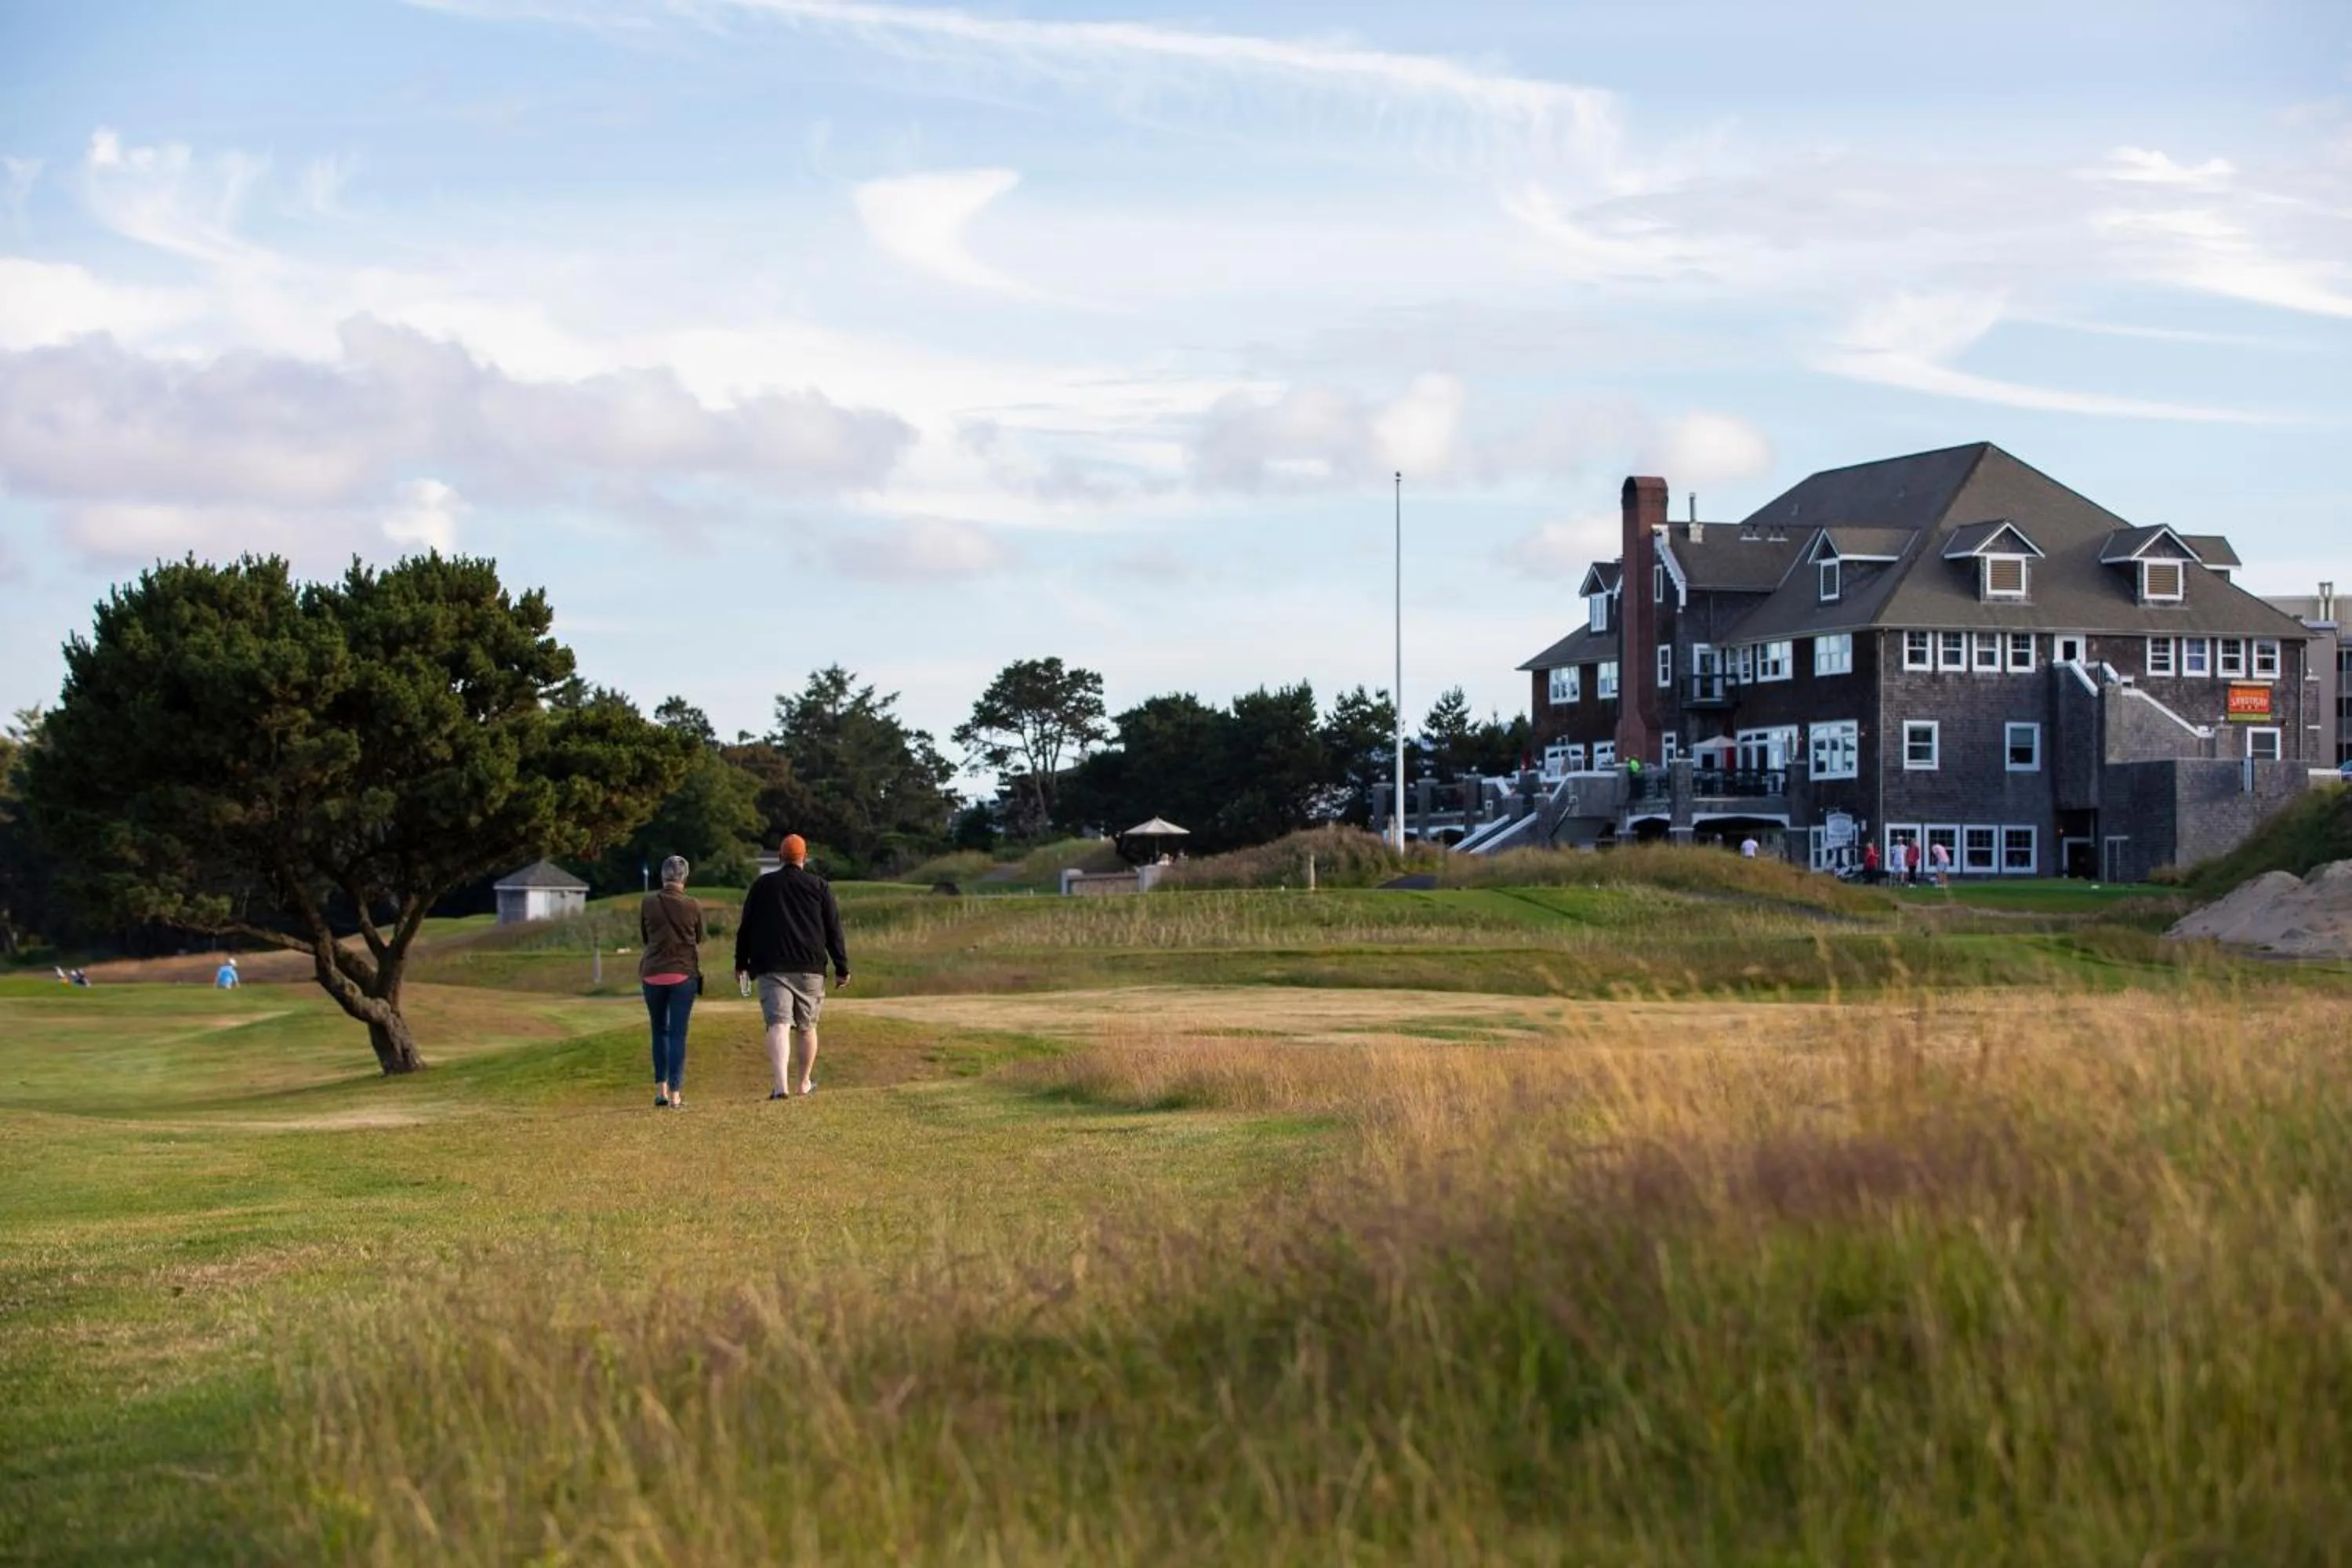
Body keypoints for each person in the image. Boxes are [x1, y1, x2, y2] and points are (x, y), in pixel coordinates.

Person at [735, 833, 851, 1101]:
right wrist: (841, 966)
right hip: (810, 967)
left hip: (772, 966)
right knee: (807, 1027)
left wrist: (741, 963)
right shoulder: (819, 886)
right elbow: (834, 930)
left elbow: (747, 928)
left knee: (778, 1024)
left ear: (779, 857)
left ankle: (780, 1087)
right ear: (804, 857)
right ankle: (804, 1083)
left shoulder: (762, 886)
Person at [638, 855, 703, 1109]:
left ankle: (661, 1091)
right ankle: (677, 1094)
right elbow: (699, 937)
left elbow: (645, 936)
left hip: (653, 973)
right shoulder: (693, 905)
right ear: (684, 878)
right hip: (683, 973)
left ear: (663, 876)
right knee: (678, 1033)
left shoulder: (648, 903)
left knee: (658, 1031)